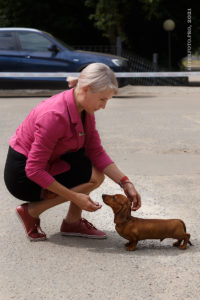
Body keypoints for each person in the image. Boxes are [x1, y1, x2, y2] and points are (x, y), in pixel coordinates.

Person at [4, 63, 141, 241]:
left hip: (49, 163)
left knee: (94, 170)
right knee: (92, 176)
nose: (104, 106)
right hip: (22, 176)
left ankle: (72, 223)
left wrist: (125, 183)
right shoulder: (54, 116)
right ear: (85, 89)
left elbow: (95, 150)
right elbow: (33, 169)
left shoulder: (84, 108)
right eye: (102, 99)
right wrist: (75, 197)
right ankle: (31, 211)